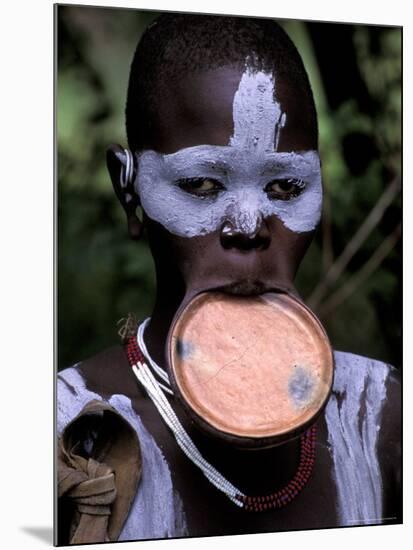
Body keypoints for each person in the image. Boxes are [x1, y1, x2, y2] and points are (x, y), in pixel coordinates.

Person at [56, 13, 401, 545]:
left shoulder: (380, 415)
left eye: (286, 187)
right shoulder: (65, 430)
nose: (247, 228)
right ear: (129, 190)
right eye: (200, 184)